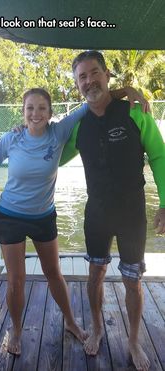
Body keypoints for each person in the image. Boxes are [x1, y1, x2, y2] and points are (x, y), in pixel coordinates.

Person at [0, 86, 148, 356]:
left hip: (44, 216)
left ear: (50, 113)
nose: (35, 113)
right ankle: (17, 330)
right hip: (10, 216)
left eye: (41, 108)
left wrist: (127, 91)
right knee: (15, 280)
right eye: (30, 108)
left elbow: (93, 99)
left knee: (54, 273)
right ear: (23, 113)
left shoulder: (59, 132)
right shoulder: (12, 139)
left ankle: (70, 321)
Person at [65, 50, 165, 371]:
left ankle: (134, 340)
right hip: (97, 212)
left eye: (94, 73)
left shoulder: (135, 112)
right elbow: (47, 156)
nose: (89, 80)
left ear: (107, 75)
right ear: (77, 84)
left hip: (131, 212)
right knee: (95, 274)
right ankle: (96, 328)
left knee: (133, 281)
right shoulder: (78, 125)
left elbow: (160, 157)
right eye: (82, 76)